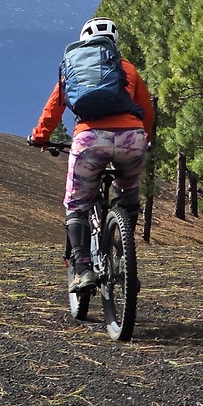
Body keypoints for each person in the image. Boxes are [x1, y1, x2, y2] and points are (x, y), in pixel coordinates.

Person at [28, 17, 155, 293]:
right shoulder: (128, 69)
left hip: (89, 141)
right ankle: (125, 257)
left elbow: (53, 111)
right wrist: (143, 139)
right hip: (131, 139)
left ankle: (83, 269)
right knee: (128, 195)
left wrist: (40, 138)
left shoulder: (72, 67)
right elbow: (147, 110)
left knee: (77, 205)